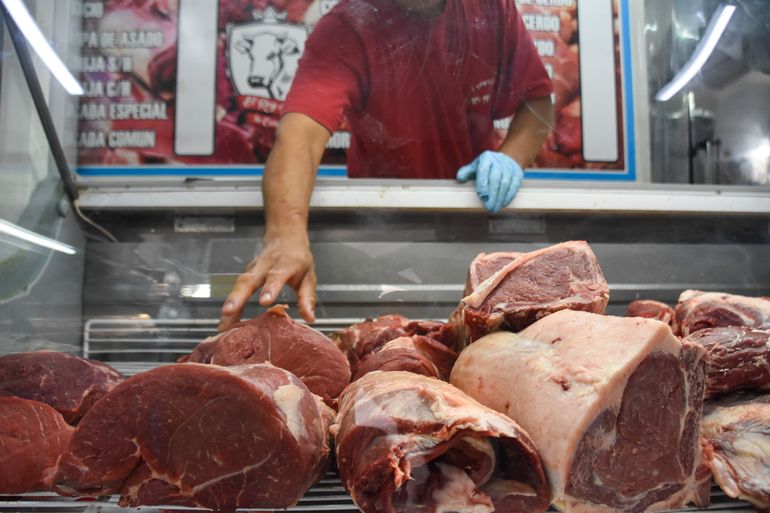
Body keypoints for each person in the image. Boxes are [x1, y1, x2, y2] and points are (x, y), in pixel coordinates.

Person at [219, 0, 553, 330]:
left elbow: (536, 103)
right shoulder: (347, 26)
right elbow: (300, 136)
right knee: (396, 341)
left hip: (474, 215)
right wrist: (284, 234)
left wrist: (510, 158)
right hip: (383, 232)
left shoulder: (491, 9)